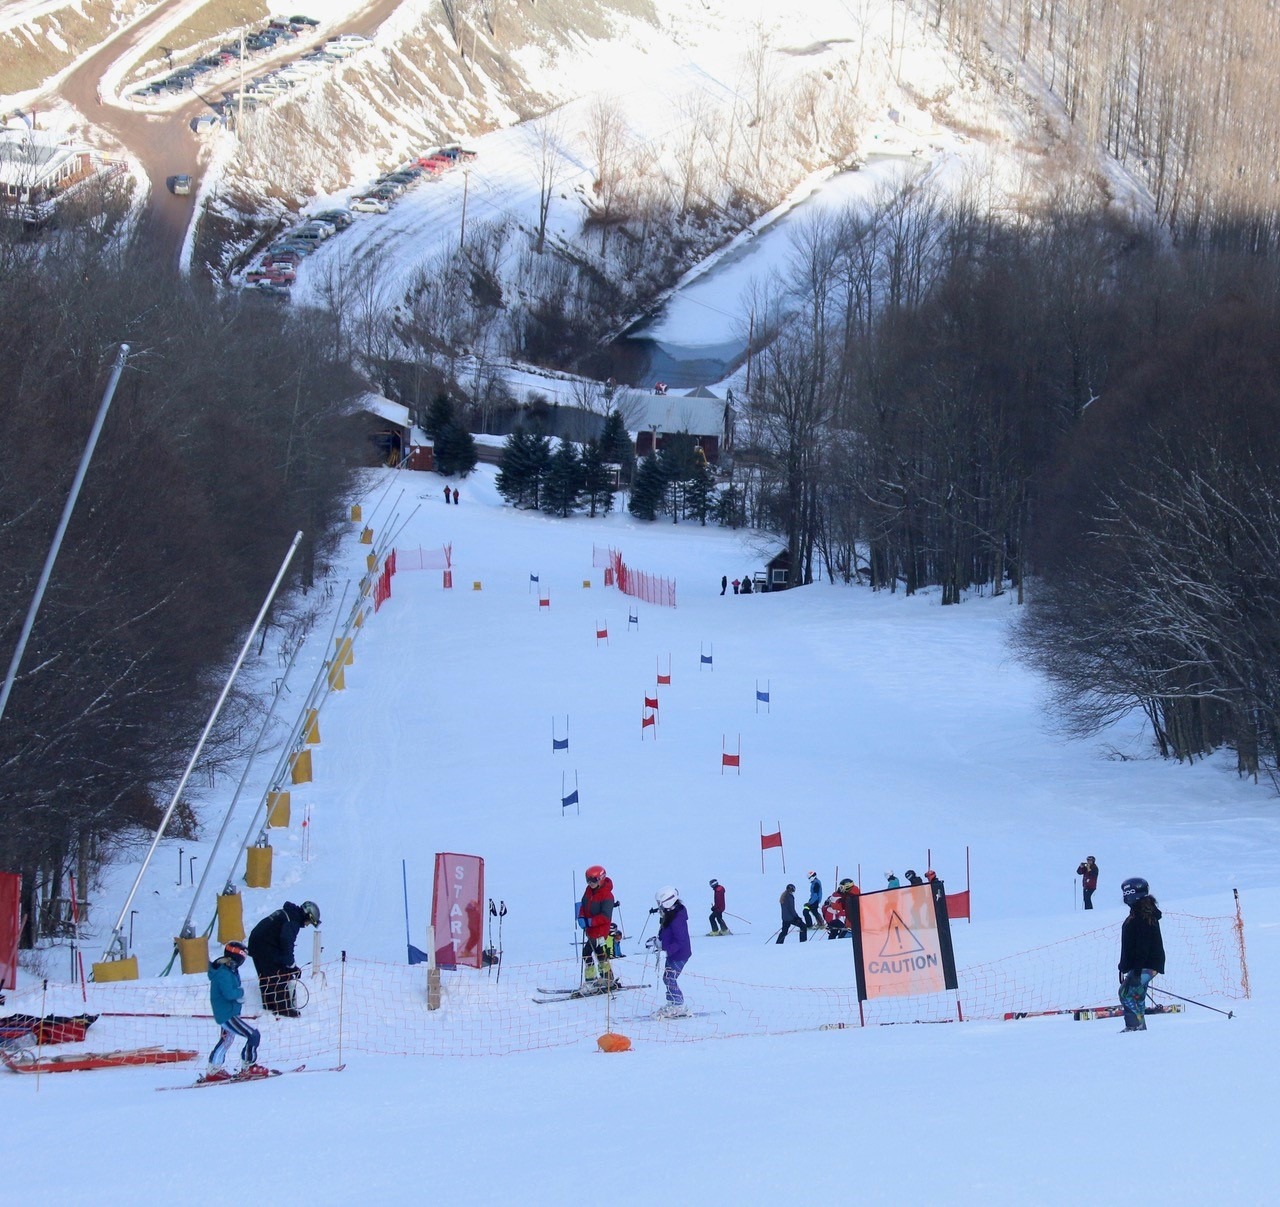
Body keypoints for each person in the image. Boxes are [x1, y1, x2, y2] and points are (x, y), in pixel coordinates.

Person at [204, 940, 265, 1082]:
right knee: (253, 1035)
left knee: (226, 1041)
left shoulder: (228, 970)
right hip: (227, 1014)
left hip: (229, 1012)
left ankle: (214, 1069)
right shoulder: (223, 973)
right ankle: (248, 1066)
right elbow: (230, 994)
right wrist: (241, 992)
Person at [247, 899, 320, 1018]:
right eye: (309, 922)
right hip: (265, 946)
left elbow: (282, 944)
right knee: (279, 975)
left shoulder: (289, 914)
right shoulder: (293, 921)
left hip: (257, 943)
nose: (307, 925)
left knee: (266, 976)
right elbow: (287, 944)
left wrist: (289, 964)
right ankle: (283, 1009)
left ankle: (269, 1005)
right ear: (307, 915)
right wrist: (291, 966)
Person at [1118, 877, 1165, 1031]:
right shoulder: (1139, 913)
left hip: (1146, 964)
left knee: (1126, 993)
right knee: (1135, 994)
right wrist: (1124, 966)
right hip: (1142, 964)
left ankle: (1134, 1026)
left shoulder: (1143, 915)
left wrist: (1137, 970)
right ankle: (1139, 1026)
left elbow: (1143, 945)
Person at [649, 886, 691, 1017]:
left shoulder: (677, 919)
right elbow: (666, 932)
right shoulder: (670, 914)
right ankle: (672, 1002)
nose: (658, 906)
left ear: (667, 901)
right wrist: (658, 941)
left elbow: (680, 941)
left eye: (659, 903)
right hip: (672, 953)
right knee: (667, 978)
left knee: (670, 978)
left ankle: (678, 1005)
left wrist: (666, 952)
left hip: (679, 954)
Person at [578, 865, 618, 991]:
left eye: (593, 880)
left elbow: (606, 917)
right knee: (592, 954)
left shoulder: (607, 896)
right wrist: (581, 917)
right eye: (587, 880)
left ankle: (604, 980)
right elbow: (583, 904)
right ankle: (598, 979)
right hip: (590, 930)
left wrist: (590, 921)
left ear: (601, 879)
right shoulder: (589, 890)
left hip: (600, 931)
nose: (590, 883)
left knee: (595, 953)